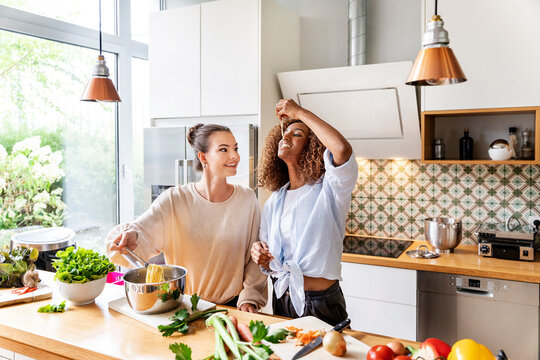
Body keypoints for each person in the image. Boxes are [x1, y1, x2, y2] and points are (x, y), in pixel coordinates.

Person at [107, 124, 267, 312]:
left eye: (235, 148)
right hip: (183, 307)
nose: (235, 156)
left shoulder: (246, 199)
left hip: (232, 308)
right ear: (203, 157)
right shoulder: (174, 200)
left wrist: (249, 299)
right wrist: (131, 235)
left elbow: (254, 256)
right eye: (224, 149)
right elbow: (136, 235)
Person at [251, 99, 357, 325]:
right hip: (281, 299)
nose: (286, 137)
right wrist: (259, 253)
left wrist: (298, 111)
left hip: (321, 303)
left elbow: (341, 149)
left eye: (297, 134)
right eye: (285, 133)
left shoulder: (329, 189)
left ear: (312, 146)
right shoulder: (275, 201)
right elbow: (269, 261)